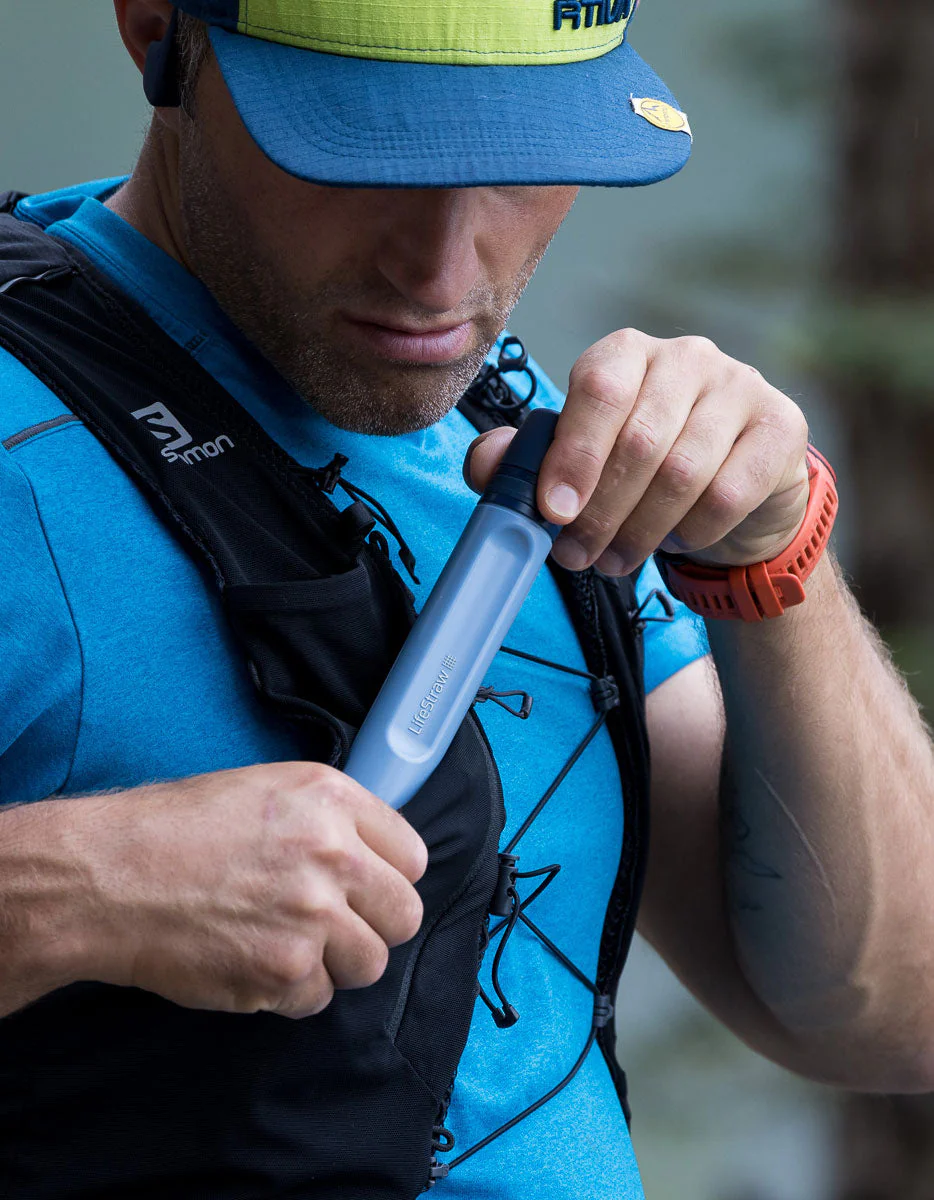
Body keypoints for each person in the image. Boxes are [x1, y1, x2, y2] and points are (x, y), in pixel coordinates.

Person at [1, 2, 933, 1197]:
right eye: (359, 149)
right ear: (157, 34)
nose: (441, 276)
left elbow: (888, 1015)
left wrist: (764, 560)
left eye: (515, 157)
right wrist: (65, 889)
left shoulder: (502, 420)